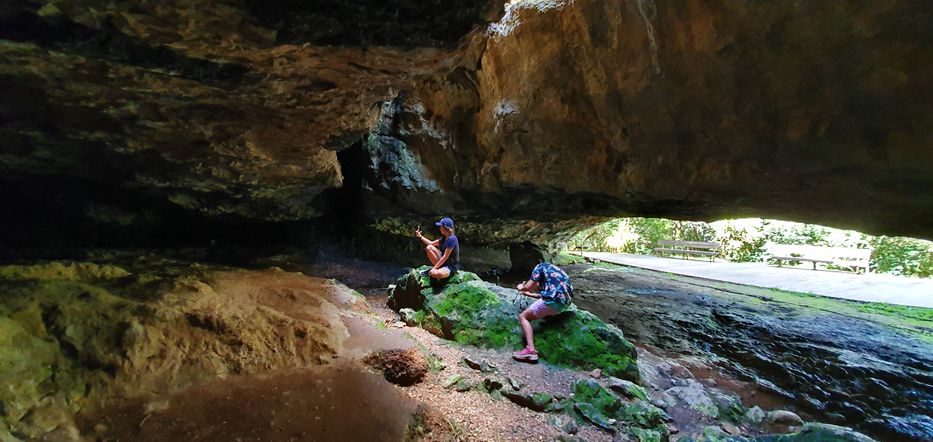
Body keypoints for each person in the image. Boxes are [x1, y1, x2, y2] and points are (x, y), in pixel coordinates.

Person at [512, 261, 573, 362]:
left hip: (552, 302)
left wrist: (521, 287)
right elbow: (547, 293)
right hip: (563, 304)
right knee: (545, 309)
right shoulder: (555, 271)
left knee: (523, 317)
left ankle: (530, 350)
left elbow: (527, 286)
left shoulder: (539, 267)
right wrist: (529, 294)